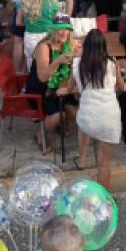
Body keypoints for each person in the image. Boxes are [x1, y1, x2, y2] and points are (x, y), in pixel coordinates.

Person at [68, 29, 125, 188]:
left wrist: (75, 57)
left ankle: (82, 158)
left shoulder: (78, 63)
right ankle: (104, 198)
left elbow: (68, 88)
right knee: (104, 164)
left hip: (87, 119)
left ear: (86, 46)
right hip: (110, 118)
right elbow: (120, 85)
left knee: (82, 121)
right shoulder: (113, 63)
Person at [25, 15, 77, 150]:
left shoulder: (67, 42)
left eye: (66, 29)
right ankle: (40, 134)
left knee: (76, 113)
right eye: (59, 29)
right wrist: (58, 61)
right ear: (52, 30)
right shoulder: (44, 47)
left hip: (59, 85)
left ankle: (61, 123)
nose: (63, 32)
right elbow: (42, 77)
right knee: (57, 115)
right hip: (41, 90)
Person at [19, 0, 61, 70]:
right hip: (47, 36)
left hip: (30, 36)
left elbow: (18, 22)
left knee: (31, 65)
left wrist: (31, 23)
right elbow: (56, 25)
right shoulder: (54, 3)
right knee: (47, 65)